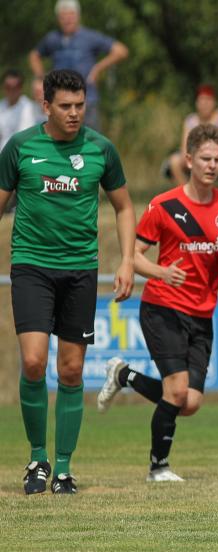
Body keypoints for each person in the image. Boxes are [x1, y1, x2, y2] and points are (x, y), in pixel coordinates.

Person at [0, 69, 136, 495]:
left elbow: (125, 207)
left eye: (80, 106)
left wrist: (128, 260)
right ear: (46, 106)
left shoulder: (101, 149)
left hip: (80, 270)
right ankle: (37, 458)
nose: (75, 113)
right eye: (65, 106)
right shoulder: (20, 148)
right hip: (31, 266)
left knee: (72, 369)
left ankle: (62, 469)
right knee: (35, 362)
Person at [96, 124, 218, 482]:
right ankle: (158, 468)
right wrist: (161, 273)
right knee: (176, 390)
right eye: (205, 159)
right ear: (189, 160)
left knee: (189, 403)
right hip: (162, 306)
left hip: (202, 313)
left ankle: (123, 374)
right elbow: (132, 255)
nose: (211, 165)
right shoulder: (164, 205)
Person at [29, 0, 129, 131]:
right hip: (61, 103)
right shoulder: (52, 38)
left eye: (71, 15)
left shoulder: (90, 37)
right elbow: (34, 56)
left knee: (90, 143)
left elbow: (121, 51)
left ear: (78, 16)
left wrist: (98, 68)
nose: (67, 19)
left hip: (87, 101)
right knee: (61, 144)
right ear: (58, 18)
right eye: (63, 16)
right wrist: (41, 78)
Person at [166, 84, 218, 186]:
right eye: (202, 100)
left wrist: (204, 155)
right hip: (193, 155)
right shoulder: (190, 120)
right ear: (197, 102)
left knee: (204, 161)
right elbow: (185, 146)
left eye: (208, 100)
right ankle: (187, 196)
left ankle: (203, 195)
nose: (205, 104)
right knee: (174, 161)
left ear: (214, 102)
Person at [1, 69, 43, 150]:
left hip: (22, 152)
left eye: (15, 87)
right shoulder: (1, 106)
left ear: (21, 87)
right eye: (8, 87)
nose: (12, 90)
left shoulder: (31, 107)